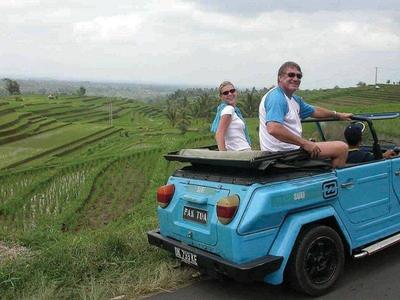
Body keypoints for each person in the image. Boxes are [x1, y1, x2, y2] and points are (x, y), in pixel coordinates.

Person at [259, 61, 352, 168]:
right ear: (280, 78)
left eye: (299, 76)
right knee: (342, 148)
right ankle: (336, 183)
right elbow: (274, 128)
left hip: (289, 150)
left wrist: (338, 115)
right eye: (291, 75)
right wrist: (305, 143)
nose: (295, 78)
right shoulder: (277, 97)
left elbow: (315, 111)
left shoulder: (294, 100)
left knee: (322, 149)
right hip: (281, 154)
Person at [211, 81, 251, 151]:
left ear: (236, 92)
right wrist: (224, 156)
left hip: (243, 151)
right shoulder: (228, 109)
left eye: (232, 91)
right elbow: (219, 134)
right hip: (239, 152)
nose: (230, 94)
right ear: (221, 97)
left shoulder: (235, 111)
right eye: (226, 93)